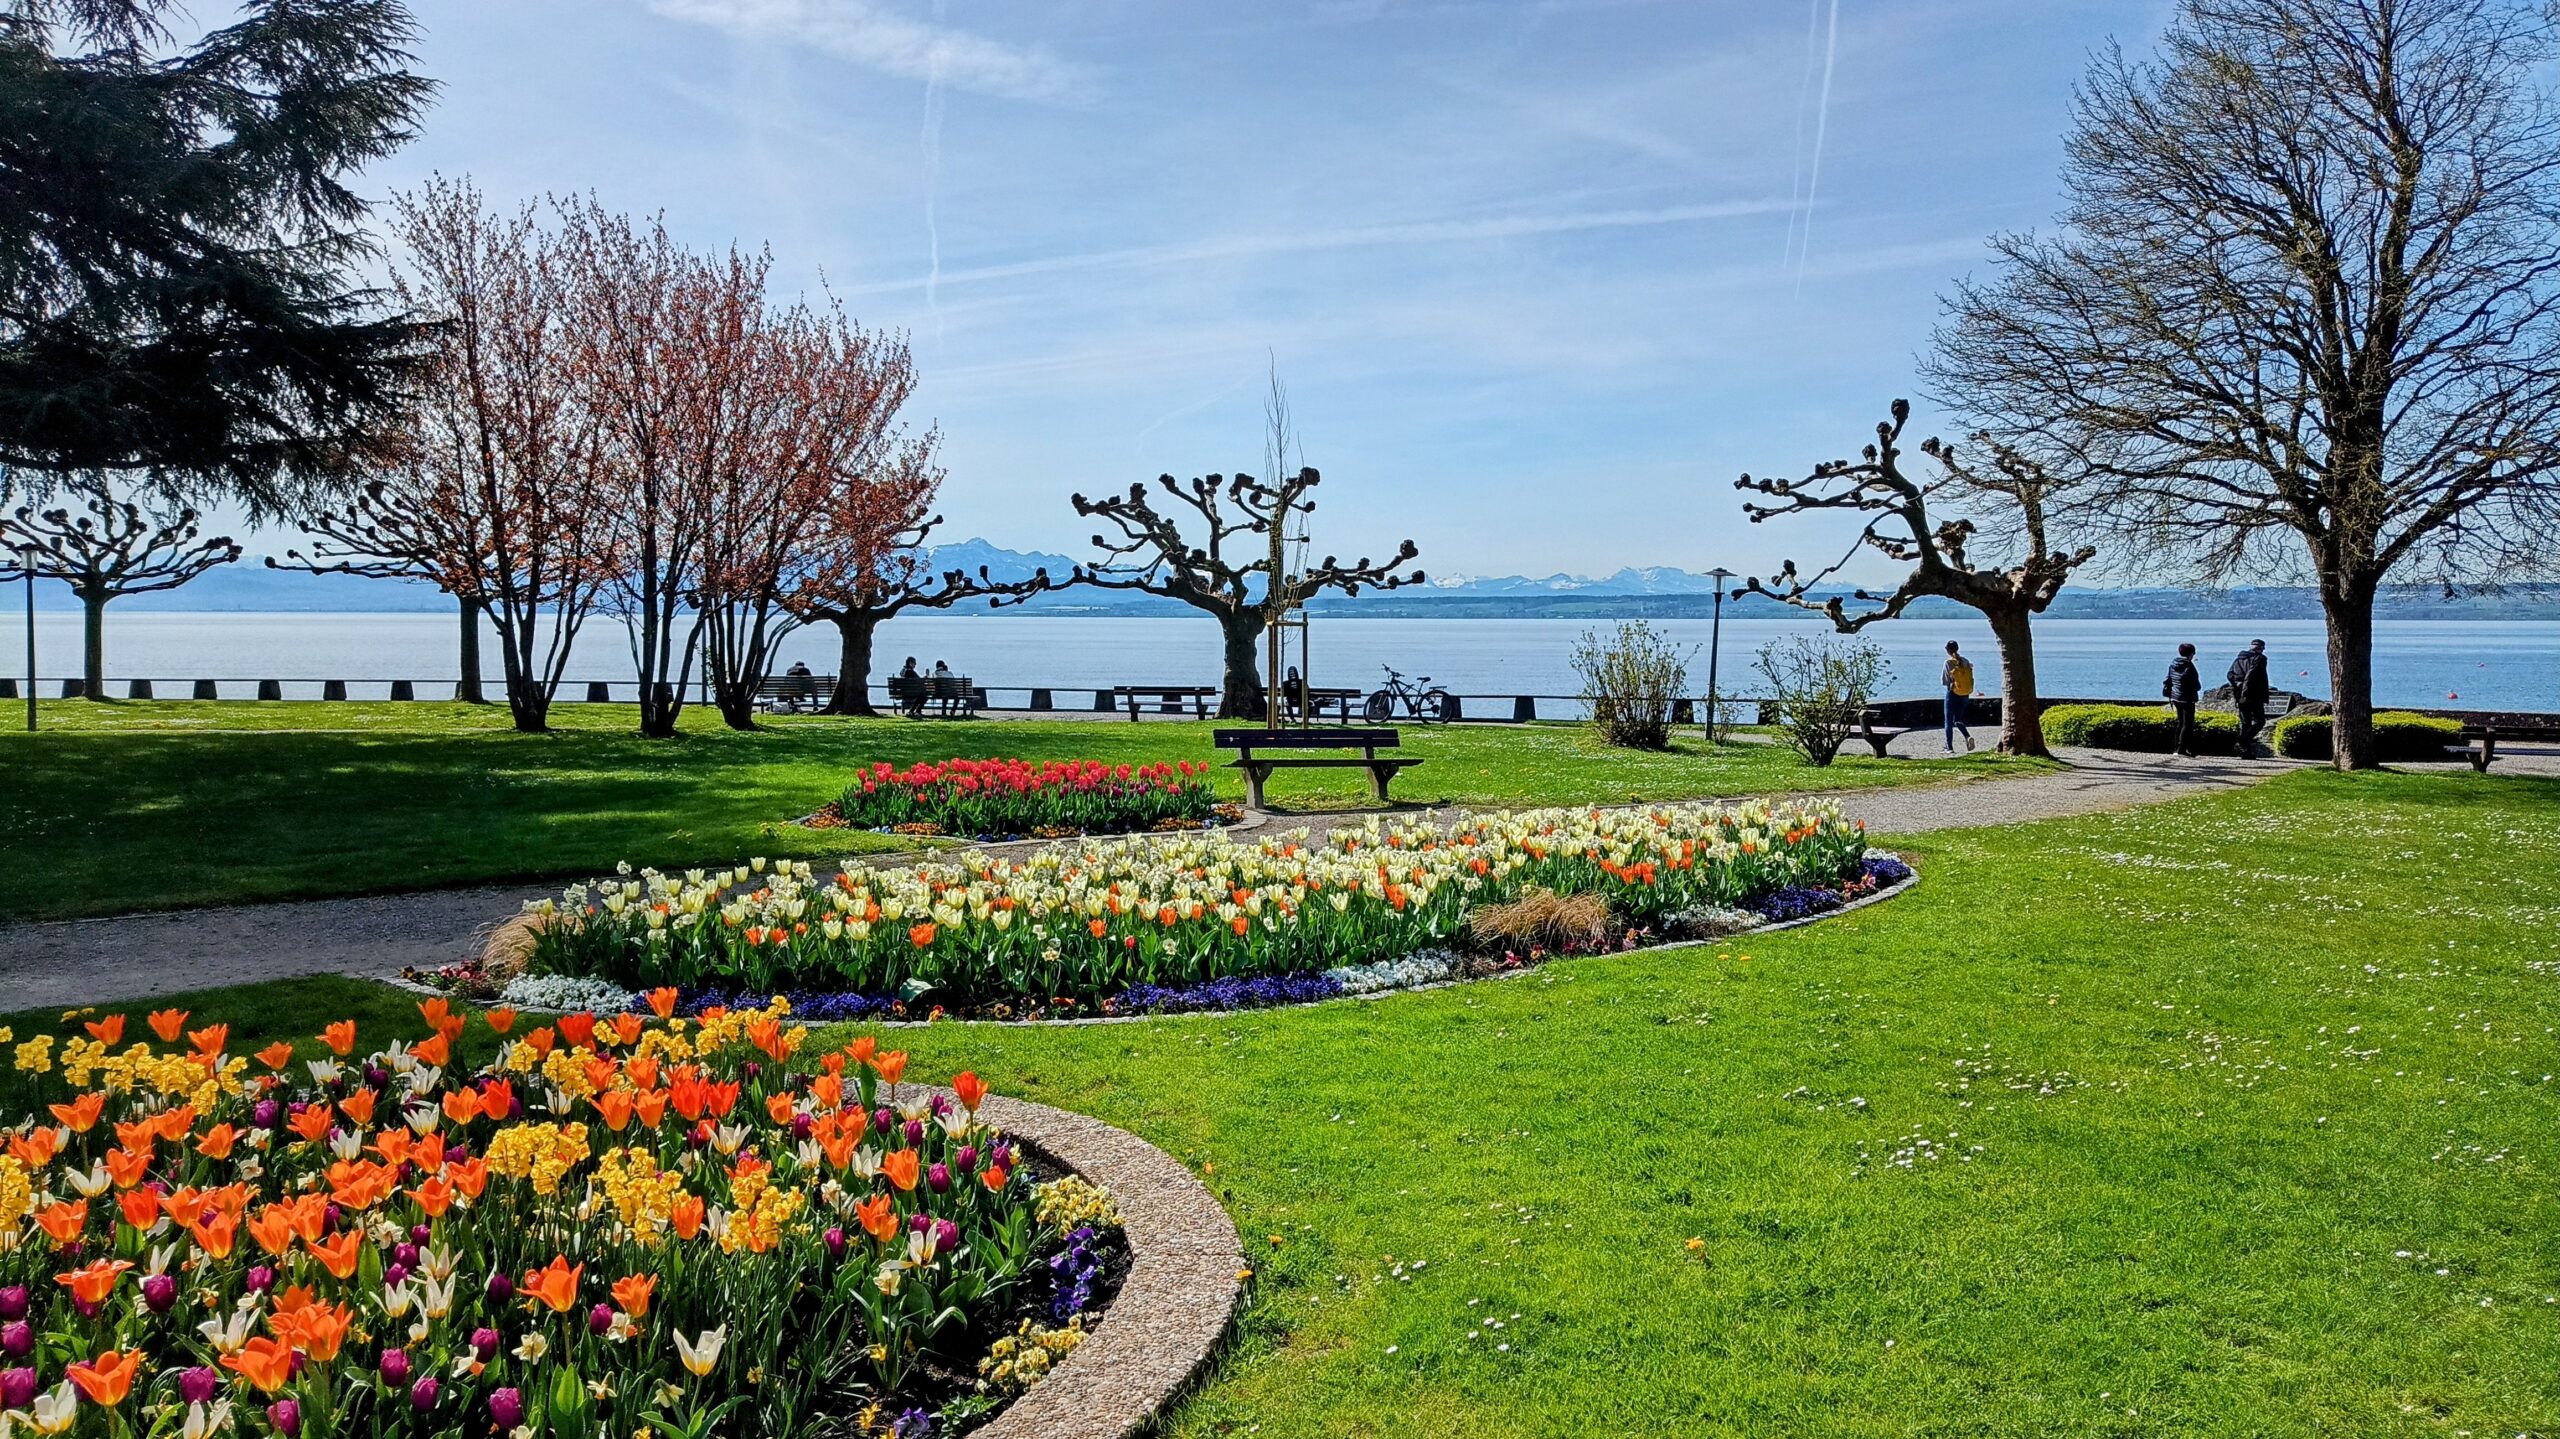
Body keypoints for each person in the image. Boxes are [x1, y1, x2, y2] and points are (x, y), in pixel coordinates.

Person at [2226, 638, 2271, 757]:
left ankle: (2245, 751)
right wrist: (2245, 693)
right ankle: (2242, 741)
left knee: (2245, 722)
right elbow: (2250, 676)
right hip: (2253, 694)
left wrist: (2237, 686)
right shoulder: (2260, 659)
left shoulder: (2239, 658)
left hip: (2239, 693)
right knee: (2260, 721)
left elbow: (2230, 675)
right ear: (2261, 649)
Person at [2163, 642, 2203, 757]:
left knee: (2180, 722)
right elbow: (2195, 685)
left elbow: (2169, 679)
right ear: (2191, 653)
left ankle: (2177, 748)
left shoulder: (2173, 664)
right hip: (2187, 698)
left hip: (2175, 696)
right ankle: (2182, 749)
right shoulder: (2188, 666)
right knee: (2187, 724)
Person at [1939, 640, 1977, 753]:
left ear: (1947, 650)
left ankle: (1949, 747)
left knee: (1948, 721)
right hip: (1965, 694)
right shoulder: (1966, 661)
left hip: (1952, 693)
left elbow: (1944, 681)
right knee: (1958, 719)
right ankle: (1967, 736)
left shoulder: (1948, 663)